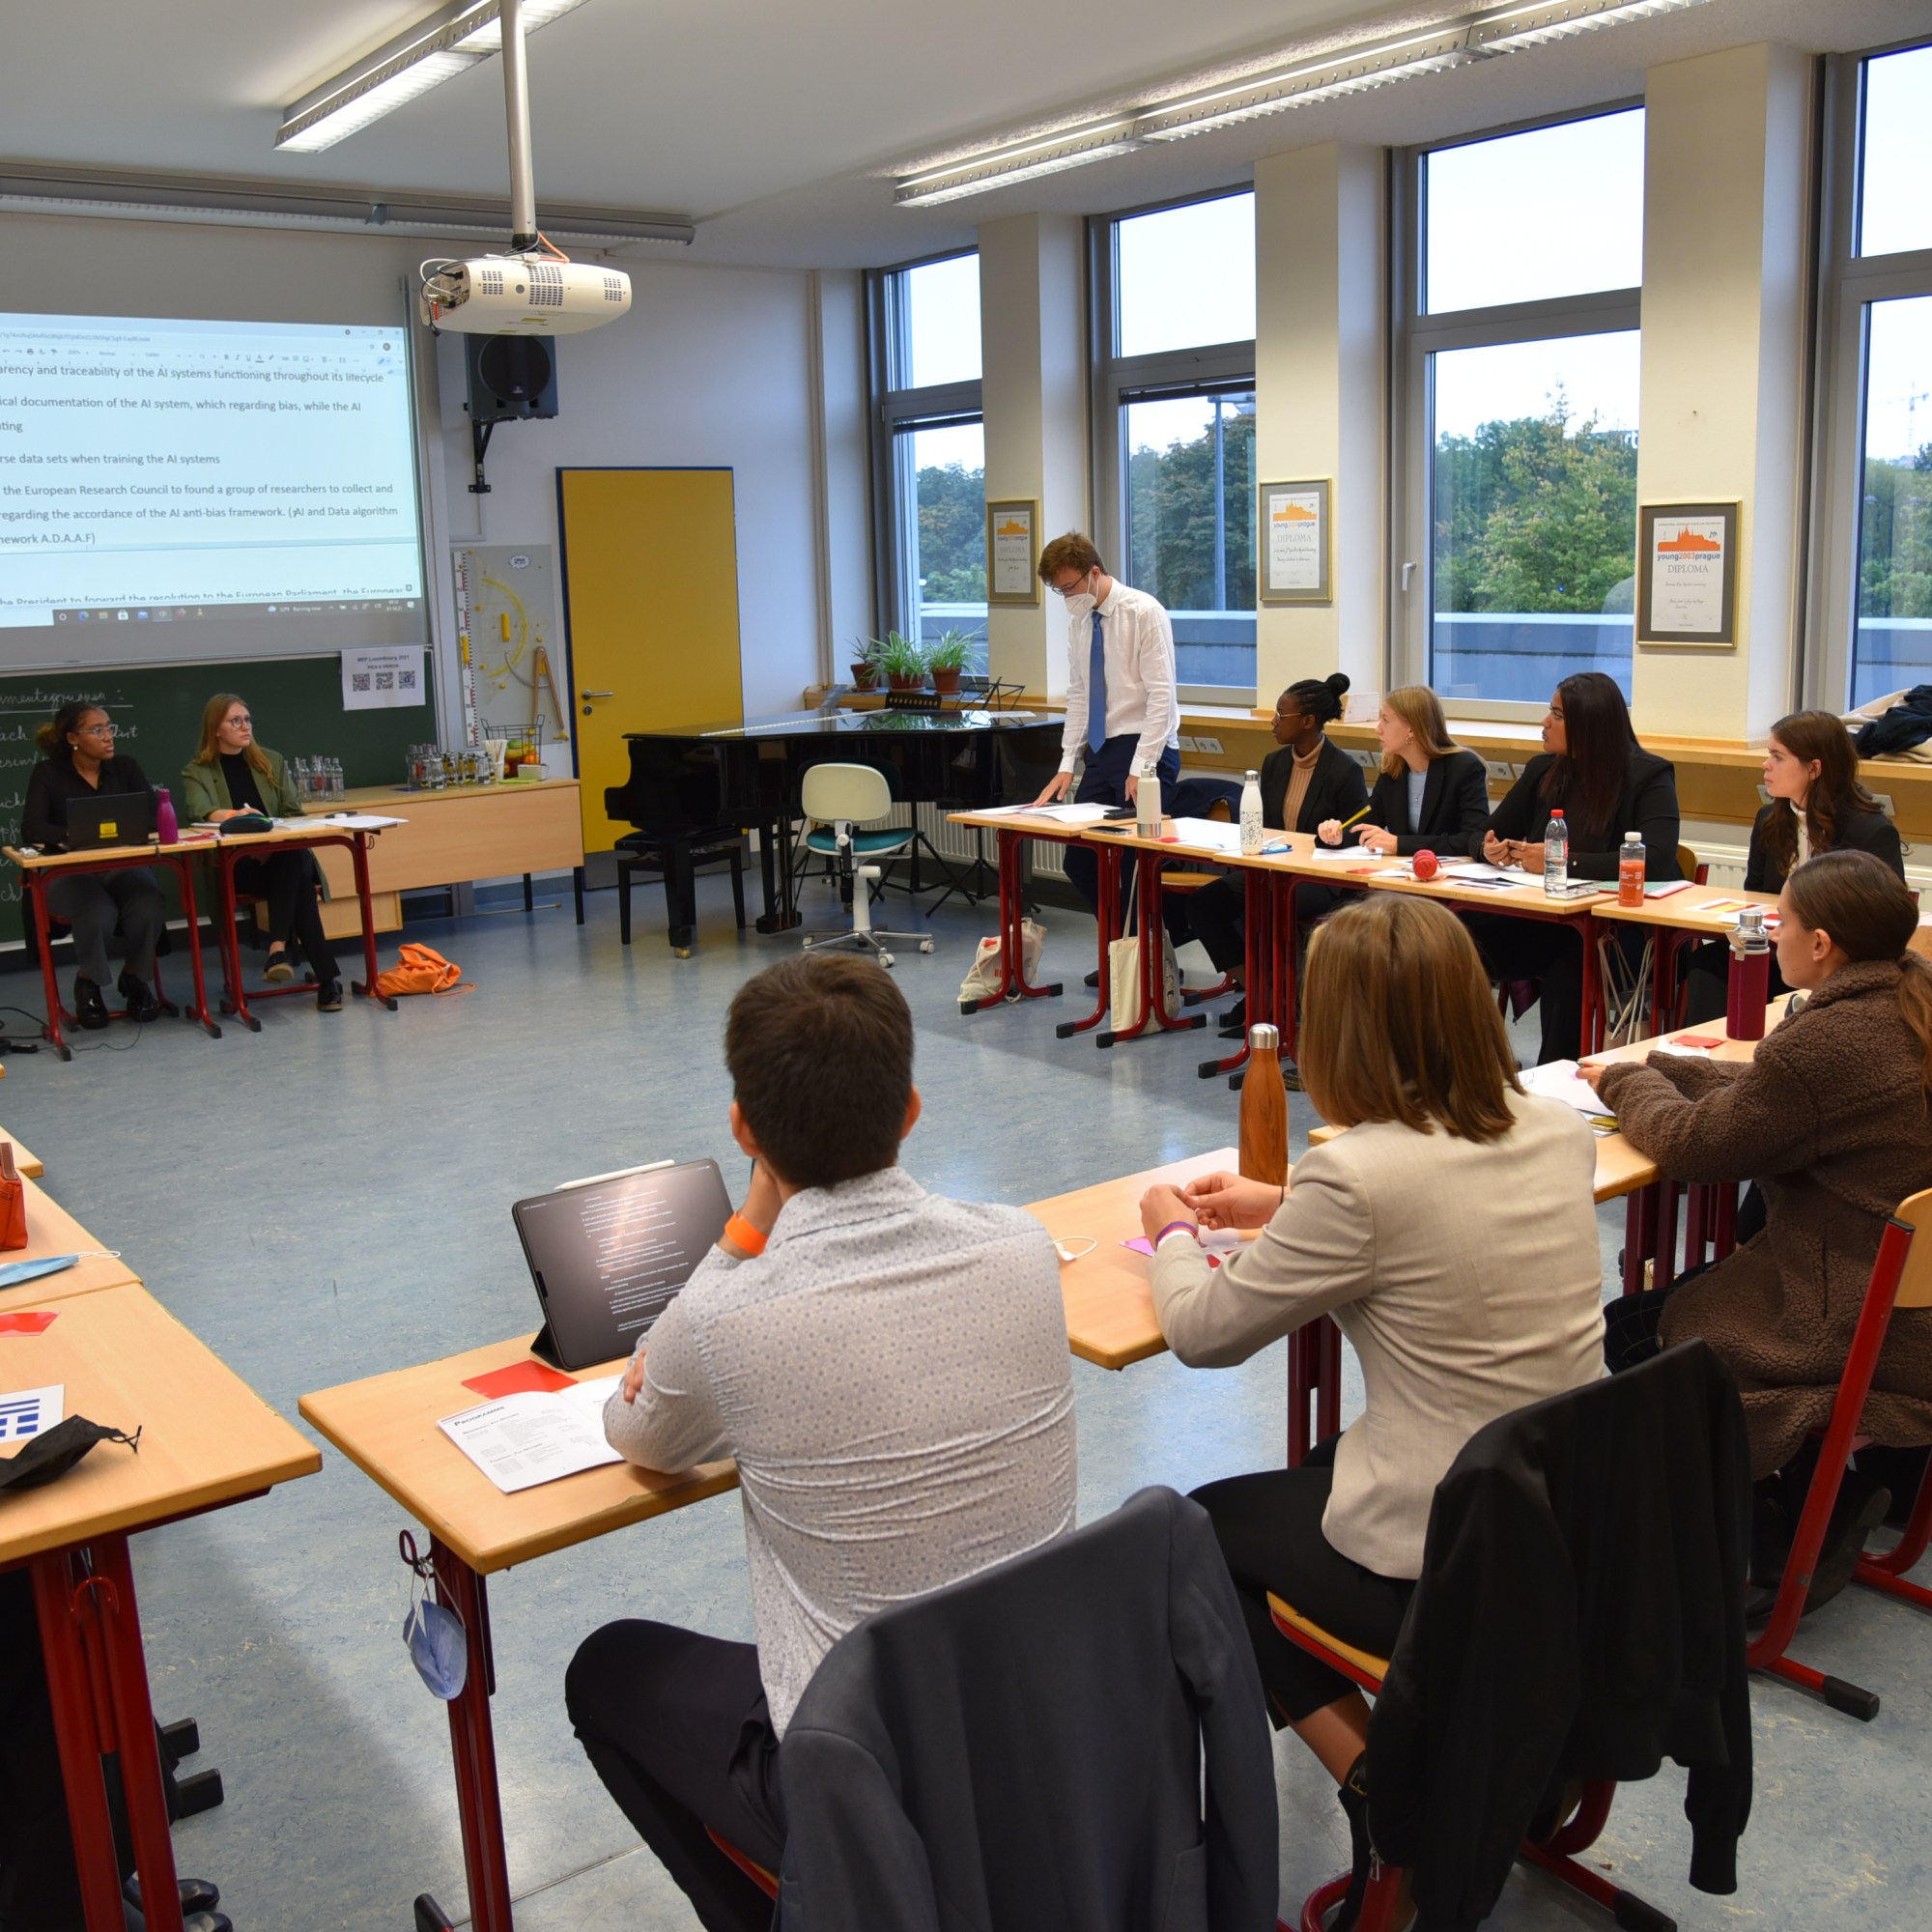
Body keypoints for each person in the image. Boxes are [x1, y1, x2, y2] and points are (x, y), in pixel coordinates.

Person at [566, 952, 1077, 1932]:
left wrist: (745, 1226)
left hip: (867, 1776)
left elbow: (637, 1433)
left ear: (743, 1130)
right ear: (910, 1110)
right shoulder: (1021, 1246)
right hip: (1038, 1733)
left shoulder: (728, 1317)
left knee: (607, 1669)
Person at [1136, 895, 1603, 1851]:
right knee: (1314, 1465)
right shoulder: (1559, 1129)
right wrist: (1282, 1204)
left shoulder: (1357, 1175)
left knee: (1193, 1535)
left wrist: (1171, 1231)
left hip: (1446, 1549)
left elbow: (1201, 1332)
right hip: (1571, 1521)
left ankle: (1382, 1783)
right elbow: (1438, 1217)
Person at [1587, 849, 1932, 1609]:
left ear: (1822, 944)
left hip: (1851, 1318)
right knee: (1684, 1300)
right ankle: (1817, 1494)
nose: (1773, 933)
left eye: (1785, 921)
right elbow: (1790, 1100)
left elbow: (1695, 1148)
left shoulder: (1827, 1041)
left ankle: (1782, 1524)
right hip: (1906, 1307)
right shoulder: (1911, 999)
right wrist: (1676, 1067)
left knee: (1634, 1330)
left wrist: (1628, 1081)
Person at [1466, 670, 1680, 1064]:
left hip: (1620, 930)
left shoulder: (1648, 775)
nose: (1545, 722)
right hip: (1545, 919)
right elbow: (1482, 832)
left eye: (1558, 715)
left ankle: (1556, 1077)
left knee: (1571, 960)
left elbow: (1658, 858)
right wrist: (1489, 849)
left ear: (1590, 724)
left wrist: (1560, 861)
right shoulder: (1543, 769)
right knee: (1454, 933)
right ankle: (1463, 1064)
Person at [1681, 709, 1904, 1025]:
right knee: (1709, 962)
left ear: (1814, 769)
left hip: (1835, 962)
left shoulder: (1870, 830)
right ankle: (1702, 1049)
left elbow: (1882, 925)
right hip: (1779, 949)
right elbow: (1755, 895)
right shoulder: (1769, 820)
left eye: (1777, 757)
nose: (1765, 765)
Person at [1183, 672, 1367, 1045]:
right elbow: (1265, 826)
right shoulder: (1274, 763)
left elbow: (1358, 829)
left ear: (1308, 721)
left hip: (1319, 878)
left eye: (1281, 715)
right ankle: (1263, 993)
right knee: (1205, 904)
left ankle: (1284, 1002)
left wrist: (1336, 835)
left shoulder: (1344, 769)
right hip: (1274, 869)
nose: (1273, 721)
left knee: (1267, 905)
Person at [1030, 531, 1180, 916]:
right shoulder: (1080, 623)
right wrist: (1067, 763)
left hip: (1146, 748)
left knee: (1134, 866)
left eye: (1069, 587)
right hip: (1101, 750)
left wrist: (1142, 767)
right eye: (1059, 591)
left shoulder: (1143, 612)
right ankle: (1119, 940)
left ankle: (1147, 947)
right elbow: (1080, 695)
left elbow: (1162, 696)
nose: (1067, 597)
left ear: (1094, 572)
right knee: (1081, 861)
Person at [179, 694, 342, 1012]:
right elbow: (200, 811)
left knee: (294, 860)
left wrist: (273, 839)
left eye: (247, 720)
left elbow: (293, 811)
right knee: (298, 875)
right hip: (237, 865)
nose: (245, 727)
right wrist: (237, 817)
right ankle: (326, 979)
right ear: (216, 729)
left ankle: (279, 949)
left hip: (279, 856)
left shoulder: (270, 761)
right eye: (235, 721)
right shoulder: (198, 770)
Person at [20, 701, 165, 1029]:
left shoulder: (126, 768)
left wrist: (115, 830)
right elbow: (32, 828)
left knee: (148, 901)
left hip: (122, 865)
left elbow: (153, 815)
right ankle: (89, 982)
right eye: (97, 730)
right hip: (70, 872)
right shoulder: (48, 773)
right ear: (73, 738)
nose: (108, 736)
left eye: (109, 727)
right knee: (97, 910)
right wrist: (74, 834)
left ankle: (135, 977)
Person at [1315, 684, 1490, 860]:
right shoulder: (1393, 770)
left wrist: (1399, 844)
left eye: (1386, 720)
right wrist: (1337, 835)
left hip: (1449, 872)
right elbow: (1367, 823)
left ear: (1411, 728)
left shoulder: (1464, 768)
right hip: (1402, 870)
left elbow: (1472, 838)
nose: (1378, 729)